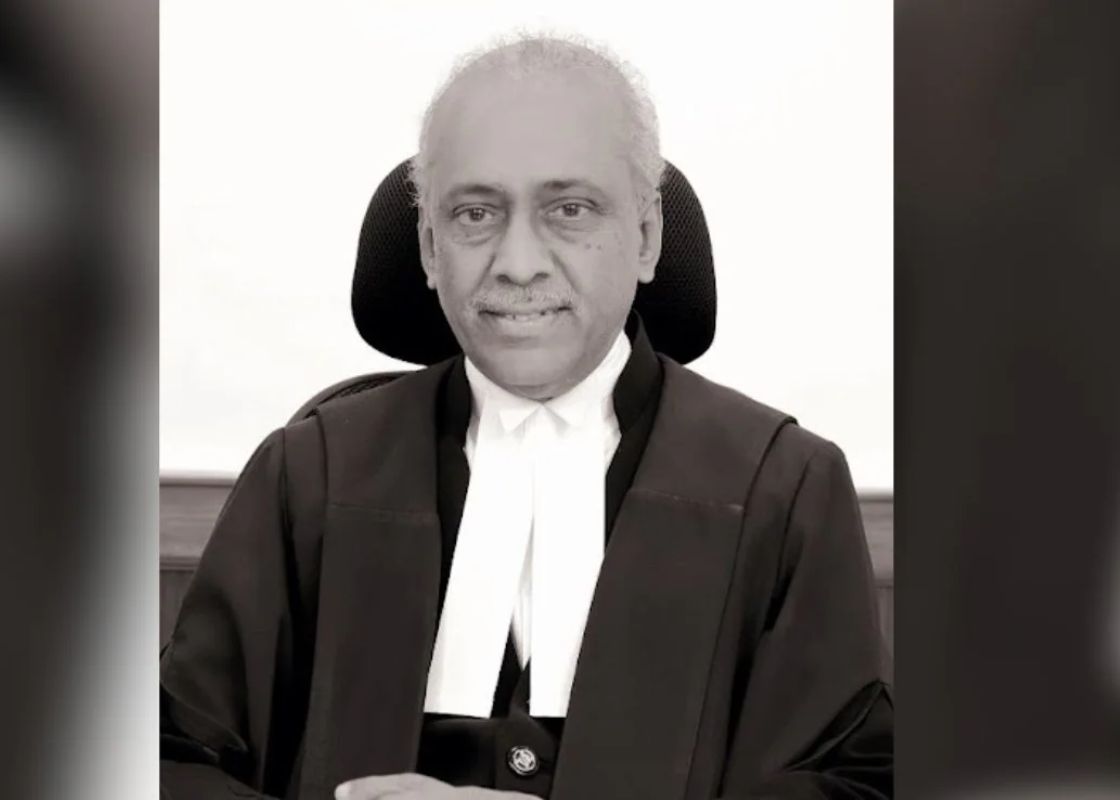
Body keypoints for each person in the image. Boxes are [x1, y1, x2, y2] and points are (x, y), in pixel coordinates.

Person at [160, 34, 892, 800]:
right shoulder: (308, 476)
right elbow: (165, 759)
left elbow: (857, 785)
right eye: (476, 213)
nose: (518, 263)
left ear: (646, 238)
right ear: (429, 249)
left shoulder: (784, 489)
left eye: (569, 210)